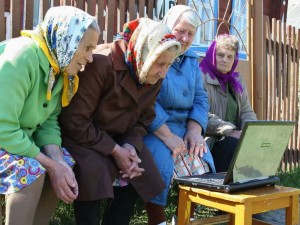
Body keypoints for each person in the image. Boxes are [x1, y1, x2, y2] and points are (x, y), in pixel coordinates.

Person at [59, 18, 181, 225]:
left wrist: (130, 145)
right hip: (85, 138)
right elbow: (75, 121)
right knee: (93, 169)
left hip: (121, 138)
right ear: (145, 52)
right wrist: (115, 150)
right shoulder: (100, 62)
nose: (164, 72)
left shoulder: (152, 73)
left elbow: (145, 118)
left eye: (169, 65)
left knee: (137, 166)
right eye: (160, 64)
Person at [0, 6, 99, 225]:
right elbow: (3, 128)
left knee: (64, 163)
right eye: (87, 48)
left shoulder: (59, 67)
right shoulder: (22, 58)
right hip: (3, 137)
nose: (91, 58)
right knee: (32, 169)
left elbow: (49, 123)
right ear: (68, 39)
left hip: (15, 141)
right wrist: (48, 163)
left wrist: (57, 162)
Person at [142, 5, 216, 225]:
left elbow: (201, 98)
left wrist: (194, 130)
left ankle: (186, 217)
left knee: (200, 158)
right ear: (168, 27)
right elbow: (147, 98)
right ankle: (158, 220)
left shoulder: (191, 60)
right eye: (180, 31)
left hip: (184, 127)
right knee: (161, 164)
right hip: (155, 127)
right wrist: (167, 136)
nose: (184, 38)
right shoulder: (156, 51)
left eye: (190, 33)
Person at [200, 34, 257, 172]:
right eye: (220, 55)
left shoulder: (236, 81)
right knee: (233, 145)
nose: (225, 60)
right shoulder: (201, 77)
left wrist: (249, 132)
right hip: (210, 141)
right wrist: (229, 130)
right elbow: (201, 114)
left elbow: (246, 111)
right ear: (213, 55)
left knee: (260, 145)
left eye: (229, 56)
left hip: (235, 137)